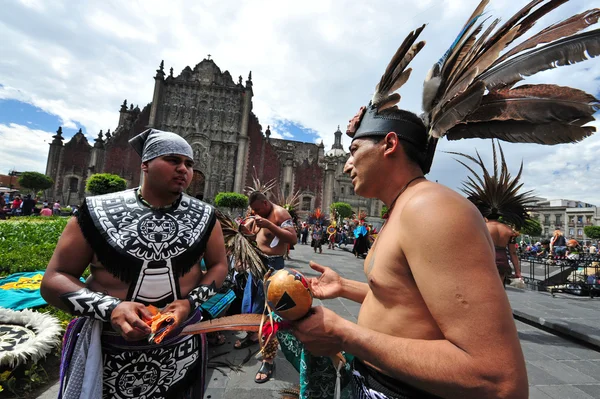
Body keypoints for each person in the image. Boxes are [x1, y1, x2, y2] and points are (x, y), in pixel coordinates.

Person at [41, 128, 229, 398]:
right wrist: (111, 309)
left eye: (188, 163)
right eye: (173, 160)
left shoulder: (206, 216)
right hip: (107, 345)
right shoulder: (97, 211)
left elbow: (219, 266)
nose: (183, 169)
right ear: (145, 164)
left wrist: (189, 303)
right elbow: (54, 278)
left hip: (181, 343)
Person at [235, 190, 297, 383]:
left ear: (265, 202)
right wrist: (245, 231)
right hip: (257, 263)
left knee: (269, 311)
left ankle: (268, 360)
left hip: (273, 265)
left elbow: (292, 239)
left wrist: (270, 224)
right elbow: (256, 238)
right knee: (251, 302)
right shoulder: (258, 215)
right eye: (252, 210)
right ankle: (253, 335)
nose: (255, 212)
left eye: (257, 209)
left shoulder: (280, 214)